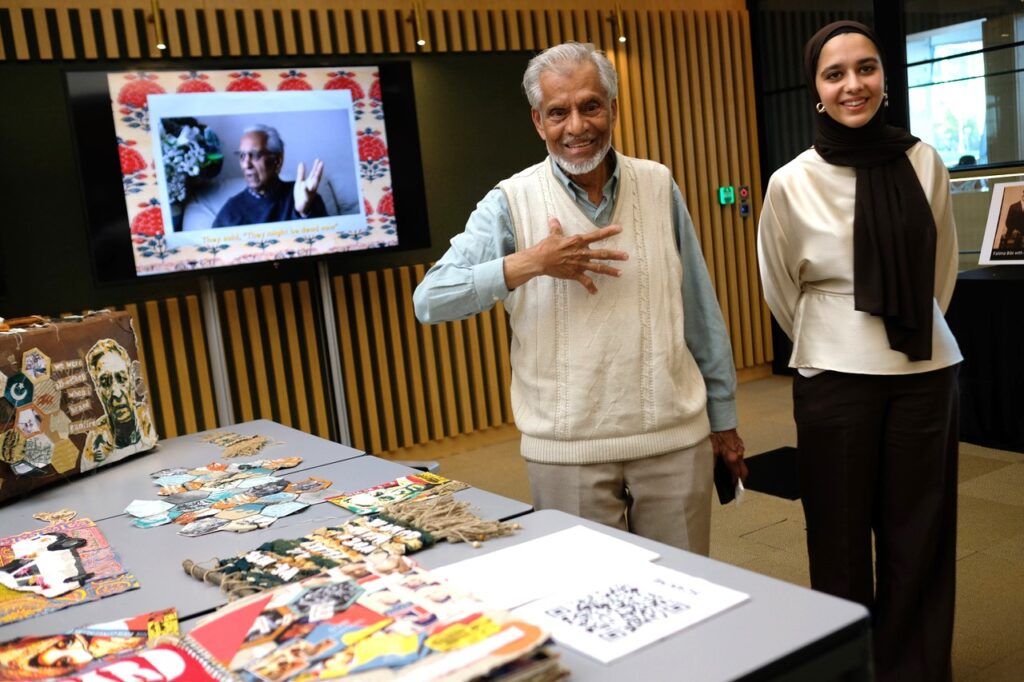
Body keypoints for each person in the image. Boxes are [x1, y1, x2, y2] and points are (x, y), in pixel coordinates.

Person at [412, 42, 746, 555]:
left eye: (590, 106)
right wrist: (532, 263)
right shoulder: (509, 202)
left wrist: (723, 419)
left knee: (687, 597)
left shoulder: (658, 184)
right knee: (593, 604)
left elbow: (699, 305)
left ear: (613, 108)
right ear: (537, 121)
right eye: (558, 112)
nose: (576, 126)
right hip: (567, 452)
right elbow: (430, 300)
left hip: (673, 442)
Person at [756, 21, 962, 681]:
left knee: (919, 535)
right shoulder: (792, 180)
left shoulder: (923, 159)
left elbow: (943, 270)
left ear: (884, 78)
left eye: (866, 69)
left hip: (923, 367)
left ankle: (914, 669)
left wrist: (910, 329)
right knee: (839, 537)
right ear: (816, 89)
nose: (853, 84)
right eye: (835, 73)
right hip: (834, 372)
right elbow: (779, 285)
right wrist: (833, 332)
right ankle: (853, 669)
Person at [212, 124, 327, 228]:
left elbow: (328, 240)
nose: (246, 165)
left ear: (277, 161)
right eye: (242, 156)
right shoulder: (231, 210)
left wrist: (304, 212)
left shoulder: (304, 195)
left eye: (255, 155)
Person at [82, 338, 158, 469]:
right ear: (98, 390)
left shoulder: (146, 423)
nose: (116, 394)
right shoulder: (94, 446)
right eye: (105, 383)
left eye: (121, 378)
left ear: (131, 380)